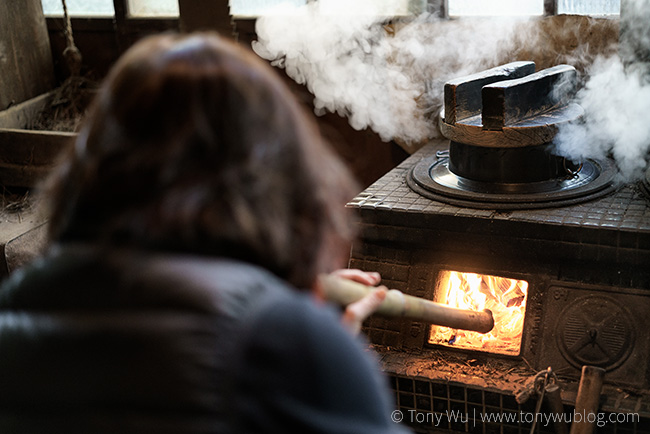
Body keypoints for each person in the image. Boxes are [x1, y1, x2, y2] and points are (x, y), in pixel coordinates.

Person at [0, 32, 408, 433]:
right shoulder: (287, 344)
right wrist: (322, 353)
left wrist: (277, 298)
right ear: (273, 178)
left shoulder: (16, 306)